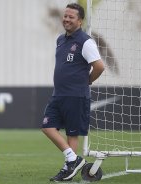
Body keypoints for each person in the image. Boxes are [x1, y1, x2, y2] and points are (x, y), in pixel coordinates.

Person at [41, 3, 104, 182]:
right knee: (47, 126)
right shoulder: (60, 39)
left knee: (72, 133)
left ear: (80, 21)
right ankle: (73, 160)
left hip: (76, 95)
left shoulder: (85, 41)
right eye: (65, 16)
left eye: (71, 17)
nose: (67, 19)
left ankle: (69, 168)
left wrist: (89, 80)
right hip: (58, 94)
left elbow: (99, 66)